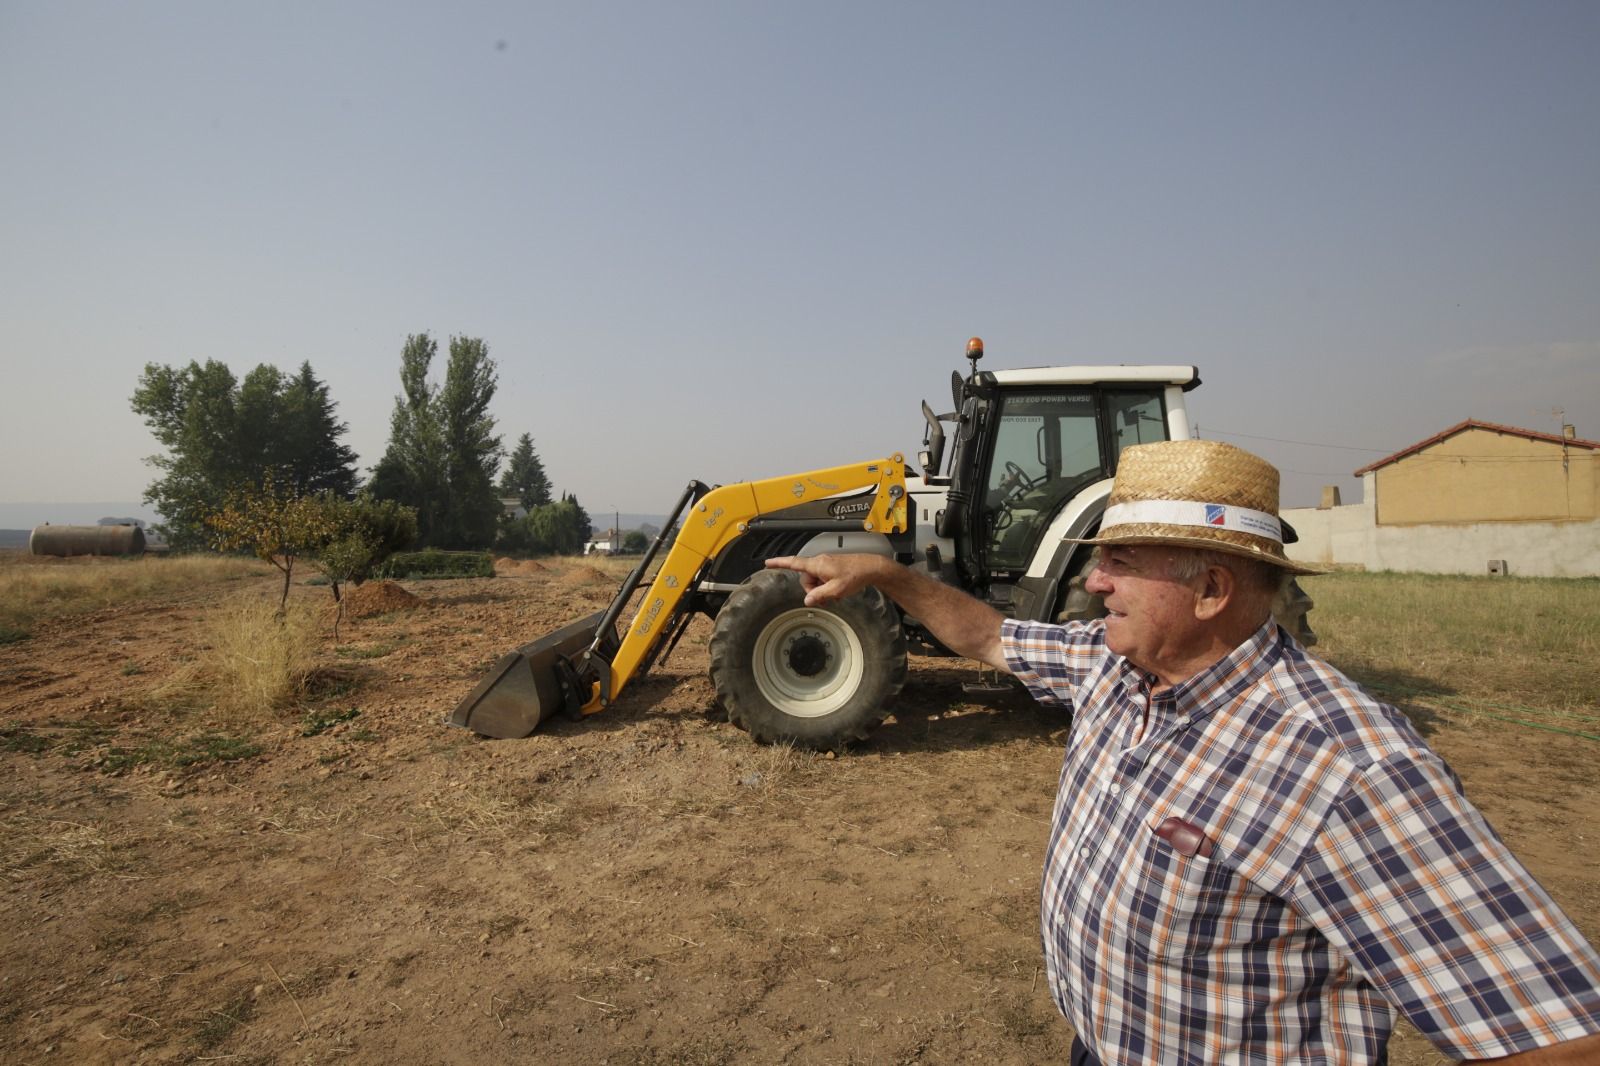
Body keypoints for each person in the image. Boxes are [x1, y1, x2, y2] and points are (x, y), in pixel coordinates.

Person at [766, 439, 1600, 1065]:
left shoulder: (1346, 770)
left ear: (1210, 589)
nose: (1096, 584)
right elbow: (988, 636)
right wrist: (885, 578)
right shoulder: (1109, 666)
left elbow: (1552, 1037)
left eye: (1121, 563)